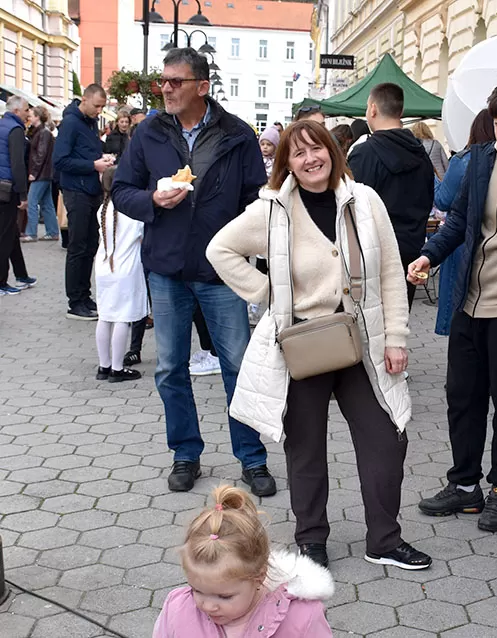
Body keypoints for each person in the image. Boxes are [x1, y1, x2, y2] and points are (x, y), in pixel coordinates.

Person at [207, 120, 432, 571]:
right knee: (304, 446)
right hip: (303, 344)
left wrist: (396, 338)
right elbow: (220, 250)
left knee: (387, 438)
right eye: (298, 152)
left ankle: (384, 540)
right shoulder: (273, 209)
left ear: (333, 150)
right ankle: (311, 540)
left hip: (361, 340)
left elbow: (390, 272)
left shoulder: (364, 200)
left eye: (317, 148)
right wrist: (270, 293)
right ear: (286, 162)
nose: (311, 159)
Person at [112, 47, 276, 497]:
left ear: (202, 87)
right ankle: (185, 453)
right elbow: (121, 190)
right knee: (169, 368)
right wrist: (151, 203)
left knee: (238, 367)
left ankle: (253, 458)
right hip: (166, 268)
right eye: (162, 80)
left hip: (222, 271)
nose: (165, 88)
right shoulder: (148, 133)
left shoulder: (237, 134)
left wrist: (245, 245)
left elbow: (253, 200)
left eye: (175, 81)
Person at [409, 80, 497, 532]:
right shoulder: (484, 159)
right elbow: (461, 224)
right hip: (467, 303)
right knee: (461, 399)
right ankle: (465, 485)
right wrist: (429, 255)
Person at [152, 485, 334, 638]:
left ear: (259, 576)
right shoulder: (177, 609)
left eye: (224, 596)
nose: (207, 606)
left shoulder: (301, 617)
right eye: (196, 590)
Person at [348, 83, 435, 309]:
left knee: (368, 330)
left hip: (372, 256)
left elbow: (350, 210)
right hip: (411, 252)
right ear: (401, 113)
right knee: (397, 325)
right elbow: (428, 200)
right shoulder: (422, 154)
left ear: (373, 109)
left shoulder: (363, 154)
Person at [431, 109, 495, 336]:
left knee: (458, 307)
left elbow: (443, 200)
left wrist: (434, 179)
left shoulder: (464, 160)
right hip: (491, 243)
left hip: (460, 241)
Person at [54, 83, 113, 320]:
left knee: (89, 245)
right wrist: (93, 165)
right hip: (76, 191)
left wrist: (102, 158)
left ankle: (84, 296)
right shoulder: (70, 123)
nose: (99, 111)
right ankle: (74, 301)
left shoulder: (89, 123)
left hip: (90, 190)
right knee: (78, 247)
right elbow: (60, 161)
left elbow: (85, 153)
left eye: (102, 107)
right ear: (85, 100)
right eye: (97, 106)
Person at [93, 167, 146, 383]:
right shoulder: (132, 210)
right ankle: (117, 368)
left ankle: (103, 365)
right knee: (123, 318)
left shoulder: (102, 209)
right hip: (125, 268)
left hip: (103, 267)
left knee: (105, 316)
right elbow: (142, 237)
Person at [0, 96, 35, 296]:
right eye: (25, 110)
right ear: (15, 111)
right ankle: (1, 281)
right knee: (5, 236)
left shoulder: (2, 125)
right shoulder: (15, 130)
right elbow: (17, 164)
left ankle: (21, 274)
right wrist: (23, 194)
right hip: (7, 189)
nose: (27, 114)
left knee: (11, 233)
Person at [25, 105, 59, 242]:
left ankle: (31, 233)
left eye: (32, 115)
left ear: (37, 117)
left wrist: (33, 172)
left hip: (41, 173)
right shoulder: (43, 132)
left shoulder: (42, 133)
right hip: (46, 173)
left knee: (32, 201)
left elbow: (40, 155)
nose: (29, 117)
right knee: (47, 203)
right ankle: (52, 231)